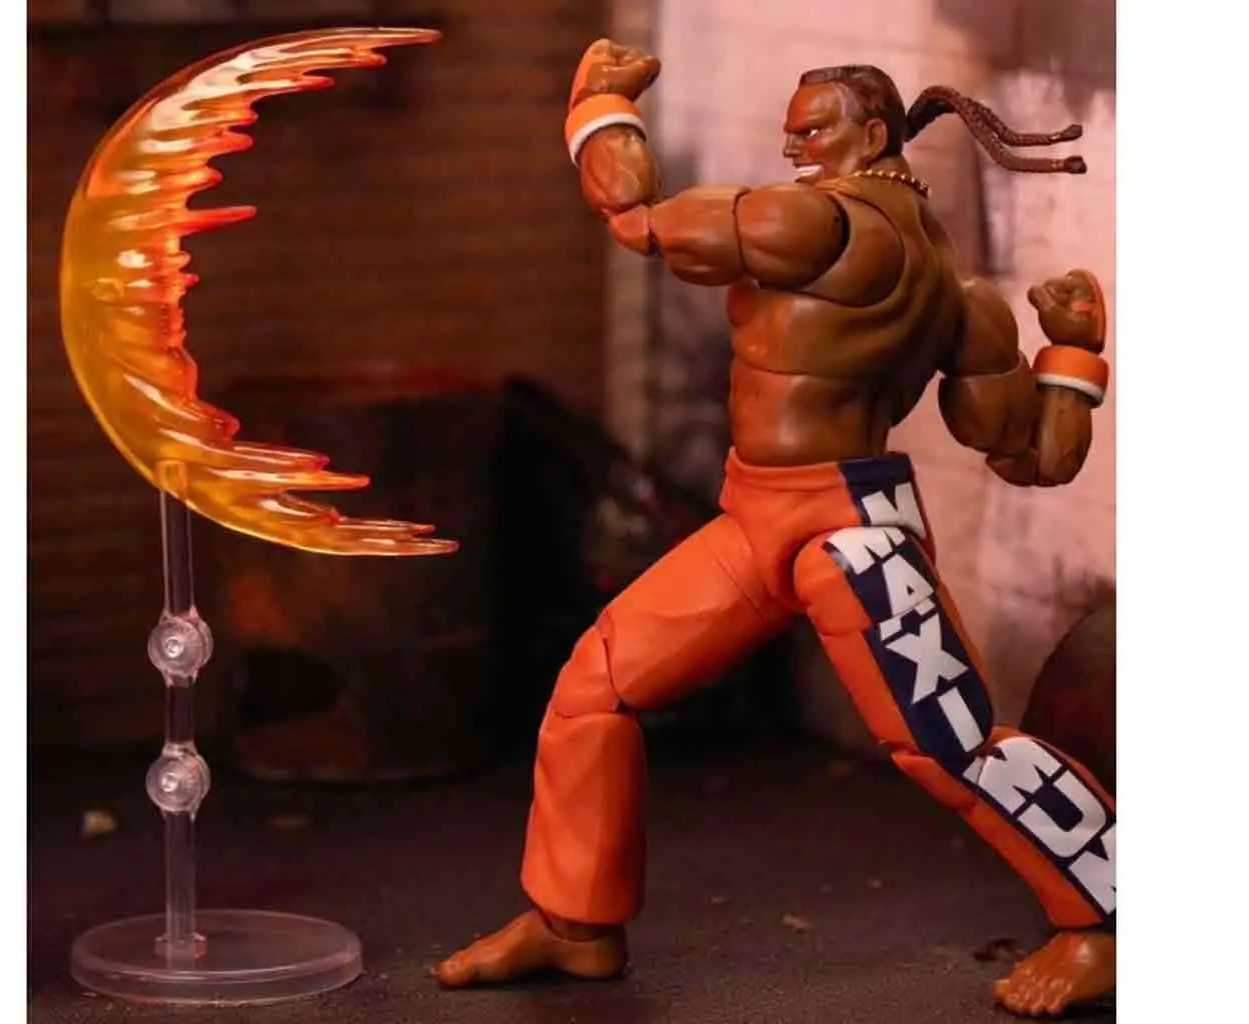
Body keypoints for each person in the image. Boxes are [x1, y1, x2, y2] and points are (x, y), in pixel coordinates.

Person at [435, 40, 1115, 1018]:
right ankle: (574, 923)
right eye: (790, 127)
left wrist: (598, 104)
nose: (793, 142)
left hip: (847, 532)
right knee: (595, 687)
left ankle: (1112, 916)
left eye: (815, 127)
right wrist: (1072, 355)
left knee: (950, 741)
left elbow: (635, 215)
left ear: (871, 134)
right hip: (760, 513)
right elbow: (1031, 453)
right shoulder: (959, 292)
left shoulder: (819, 224)